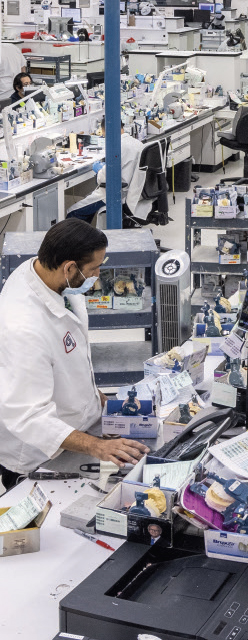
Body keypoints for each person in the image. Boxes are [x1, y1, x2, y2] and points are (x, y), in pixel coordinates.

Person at [0, 220, 149, 490]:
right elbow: (29, 418)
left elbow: (69, 362)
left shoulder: (45, 274)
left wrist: (101, 403)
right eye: (93, 269)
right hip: (39, 456)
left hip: (78, 427)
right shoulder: (23, 328)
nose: (98, 275)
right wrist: (97, 446)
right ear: (69, 267)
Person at [67, 120, 143, 224]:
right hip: (132, 191)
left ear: (105, 130)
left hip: (114, 193)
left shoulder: (117, 147)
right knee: (88, 200)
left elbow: (105, 178)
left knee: (73, 212)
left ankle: (82, 238)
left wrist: (100, 170)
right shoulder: (137, 143)